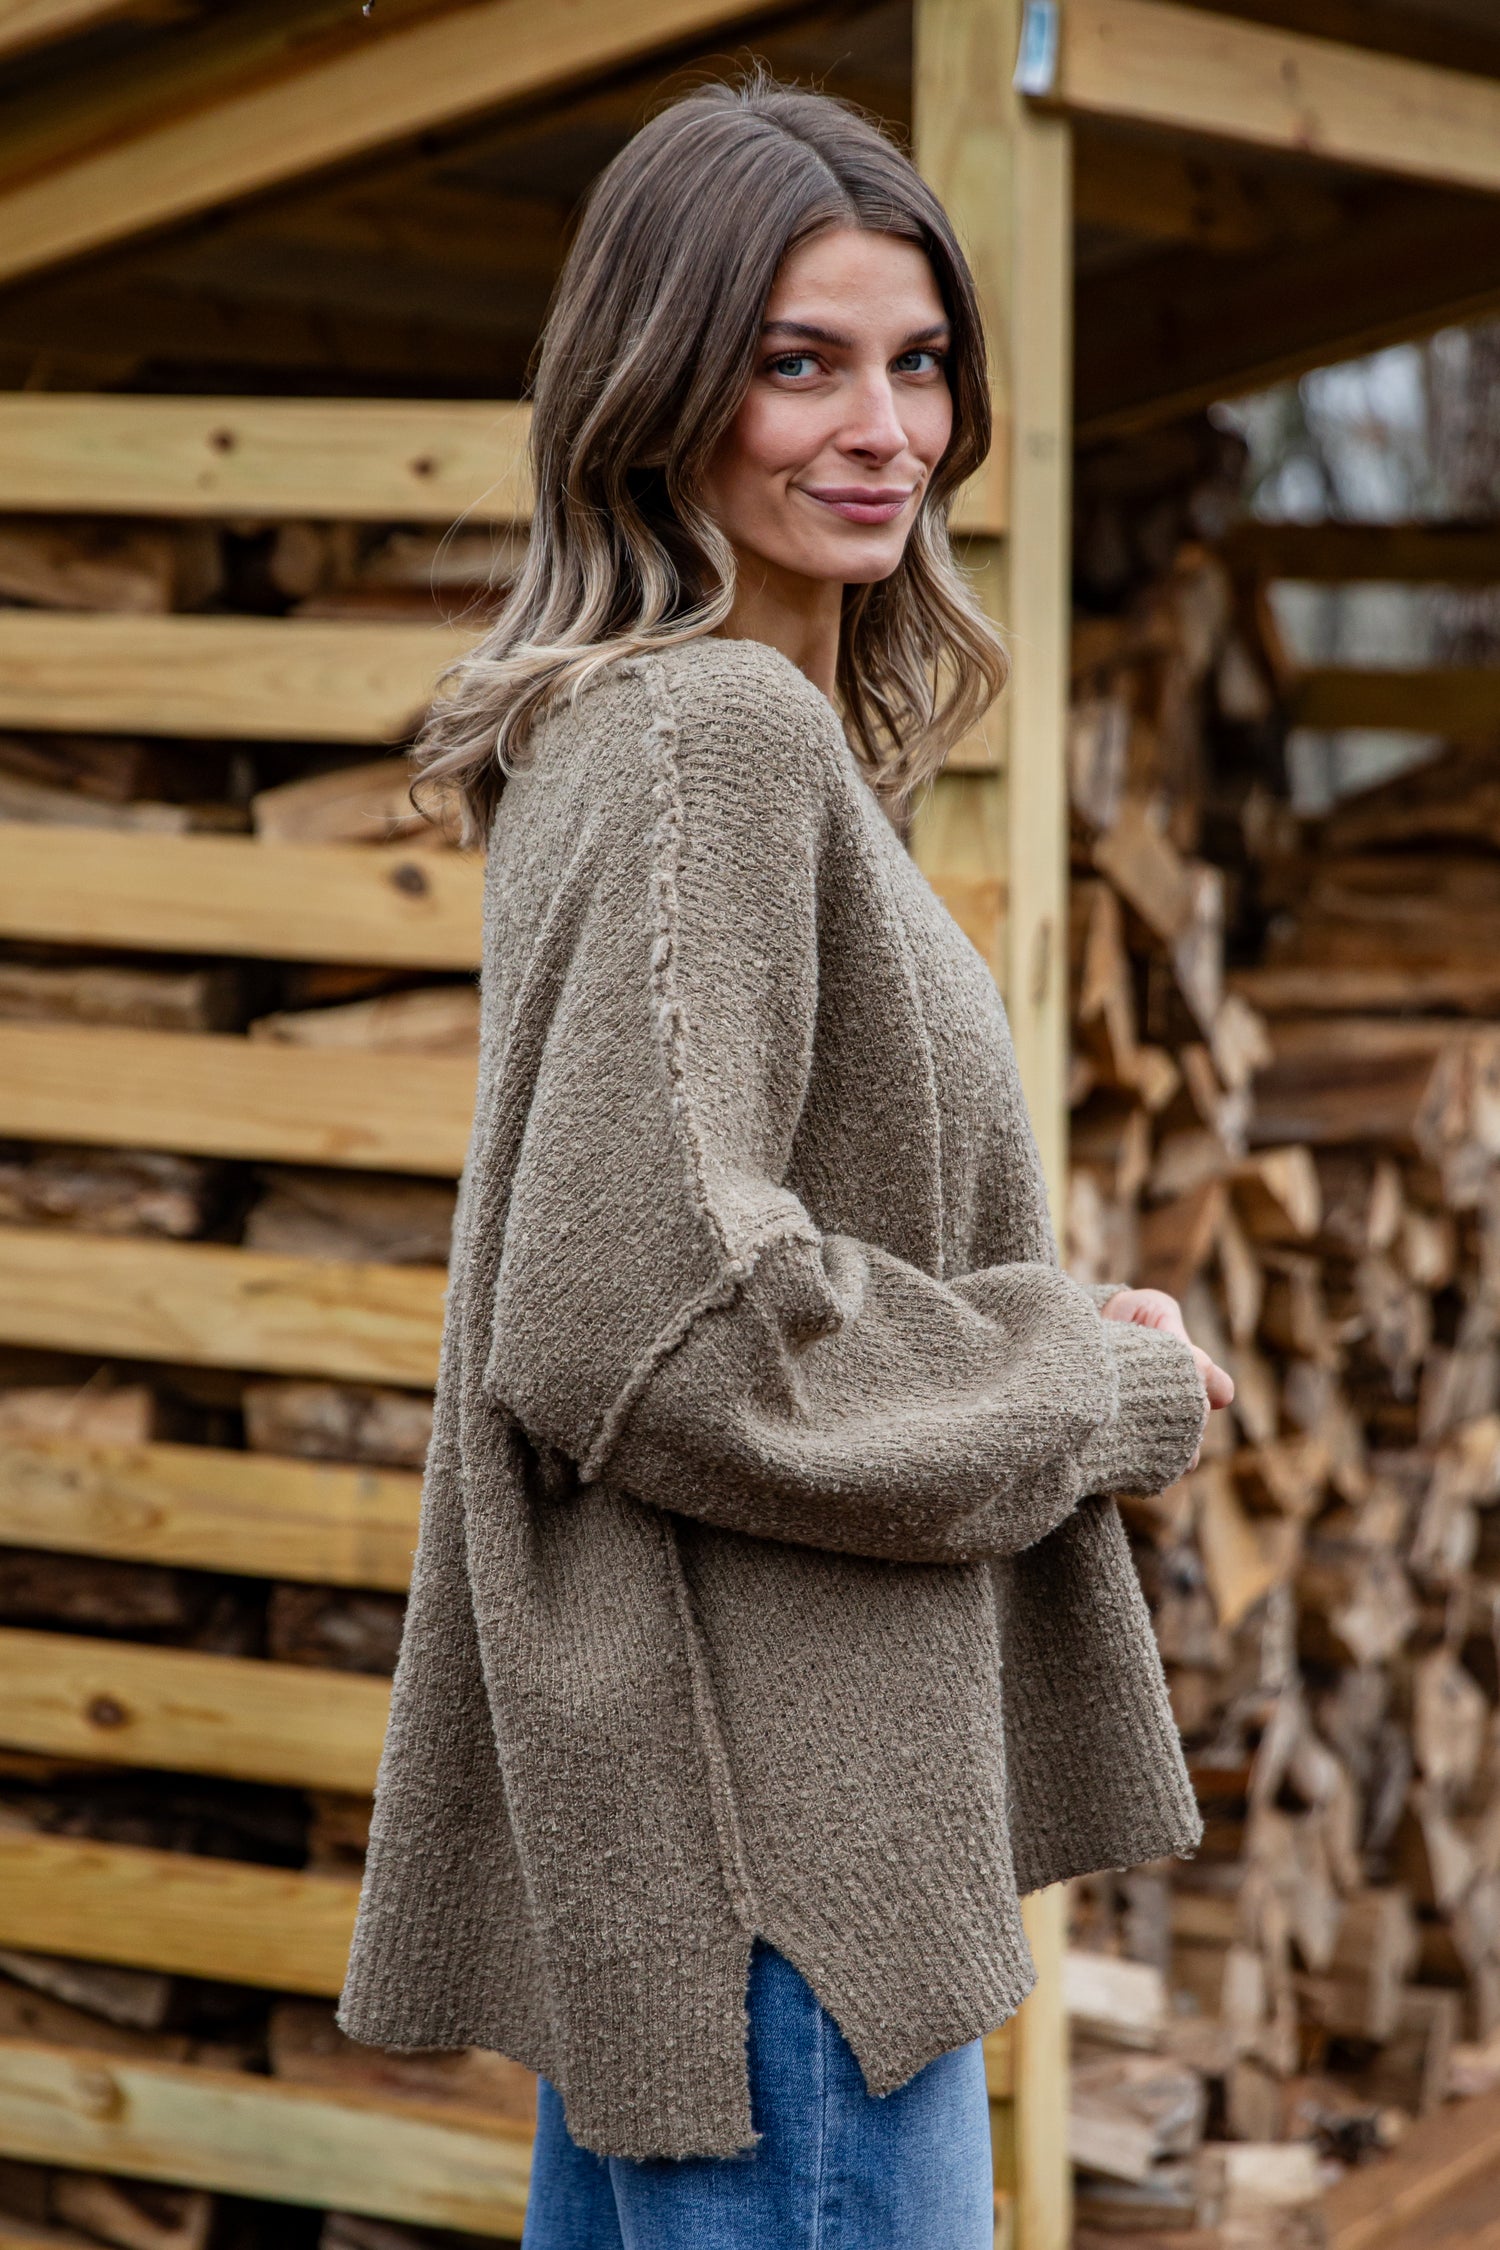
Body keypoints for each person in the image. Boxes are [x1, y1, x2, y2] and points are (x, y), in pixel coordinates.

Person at [336, 74, 1234, 2250]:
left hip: (723, 1850)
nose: (882, 431)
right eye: (796, 362)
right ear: (658, 392)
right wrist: (1078, 1384)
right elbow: (635, 1320)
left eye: (916, 363)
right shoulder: (707, 733)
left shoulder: (665, 729)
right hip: (786, 1875)